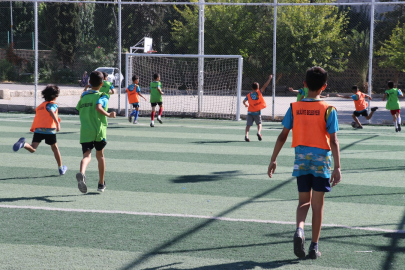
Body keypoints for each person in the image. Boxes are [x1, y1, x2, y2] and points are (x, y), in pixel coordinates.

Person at [267, 67, 341, 260]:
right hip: (321, 162)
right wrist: (338, 167)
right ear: (324, 87)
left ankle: (299, 230)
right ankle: (314, 247)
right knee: (318, 205)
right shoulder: (329, 109)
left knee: (303, 202)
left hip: (301, 160)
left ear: (304, 84)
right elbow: (333, 141)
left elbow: (283, 135)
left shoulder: (294, 107)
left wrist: (273, 159)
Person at [75, 71, 116, 193]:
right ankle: (101, 183)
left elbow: (78, 108)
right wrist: (109, 114)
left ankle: (82, 173)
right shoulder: (103, 95)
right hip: (99, 131)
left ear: (89, 82)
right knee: (100, 156)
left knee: (86, 156)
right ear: (102, 83)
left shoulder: (84, 96)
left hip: (85, 131)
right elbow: (98, 107)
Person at [12, 85, 67, 175]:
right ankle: (61, 168)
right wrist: (57, 122)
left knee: (33, 148)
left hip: (39, 130)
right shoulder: (52, 105)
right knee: (55, 148)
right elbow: (51, 111)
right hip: (49, 130)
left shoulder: (41, 106)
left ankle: (24, 144)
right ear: (54, 96)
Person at [242, 74, 272, 141]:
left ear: (251, 88)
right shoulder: (259, 93)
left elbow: (243, 101)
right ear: (258, 87)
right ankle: (259, 132)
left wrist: (245, 104)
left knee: (248, 125)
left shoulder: (249, 95)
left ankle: (246, 136)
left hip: (250, 112)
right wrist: (269, 79)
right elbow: (265, 86)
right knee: (259, 123)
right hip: (257, 112)